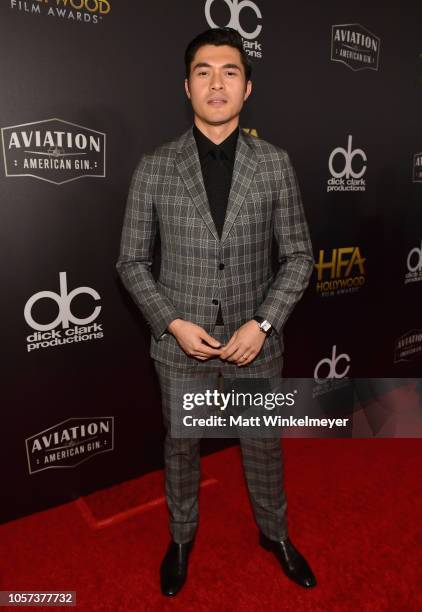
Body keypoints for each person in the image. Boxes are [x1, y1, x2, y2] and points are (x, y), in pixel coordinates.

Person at [116, 27, 316, 596]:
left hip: (256, 344)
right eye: (204, 71)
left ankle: (274, 534)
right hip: (182, 346)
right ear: (187, 86)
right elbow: (131, 262)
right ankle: (180, 539)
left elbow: (300, 256)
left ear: (247, 88)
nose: (216, 83)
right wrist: (173, 324)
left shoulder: (275, 164)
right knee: (180, 448)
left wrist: (264, 323)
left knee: (263, 446)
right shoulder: (155, 166)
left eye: (230, 71)